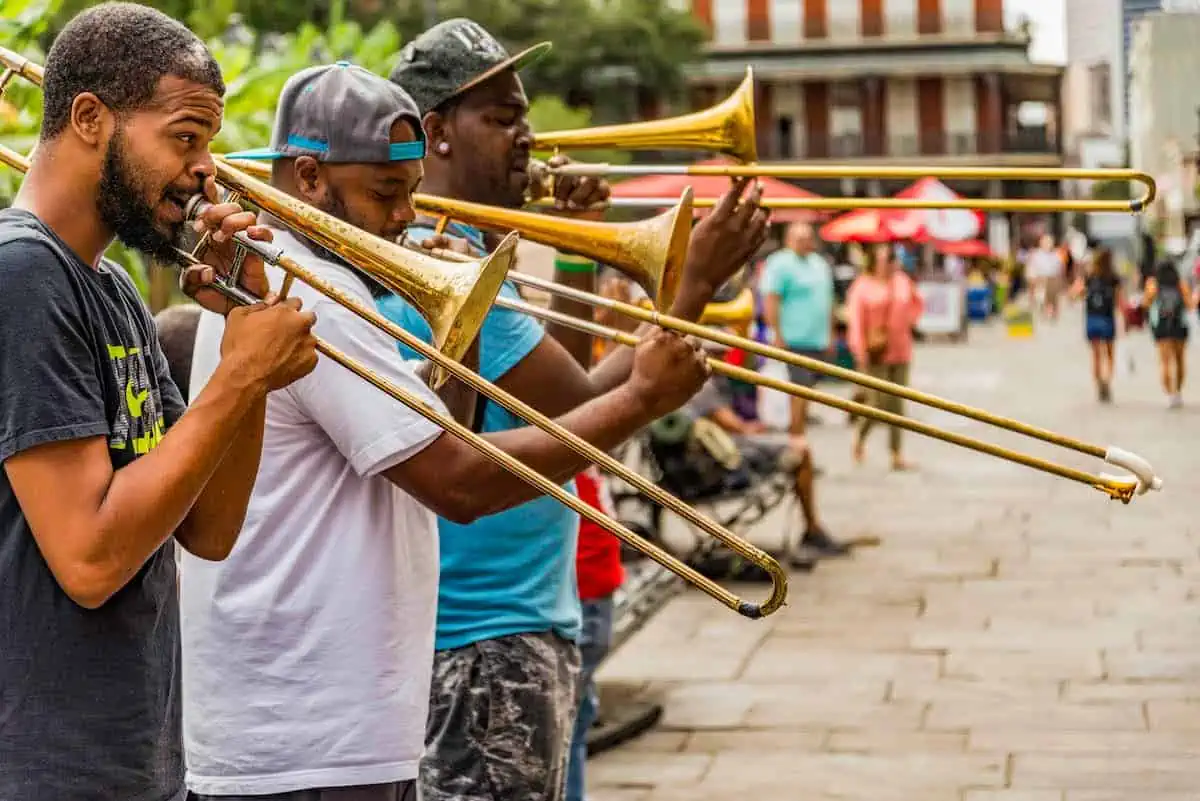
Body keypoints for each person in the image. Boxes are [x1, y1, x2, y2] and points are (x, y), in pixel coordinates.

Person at [180, 62, 709, 801]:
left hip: (331, 732)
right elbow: (458, 481)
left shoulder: (307, 282)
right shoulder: (304, 295)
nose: (404, 218)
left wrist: (450, 331)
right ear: (307, 178)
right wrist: (643, 398)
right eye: (386, 194)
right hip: (305, 741)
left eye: (412, 193)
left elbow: (439, 447)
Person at [387, 18, 768, 801]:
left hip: (509, 621)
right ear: (436, 134)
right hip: (485, 634)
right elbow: (585, 412)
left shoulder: (469, 251)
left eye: (522, 115)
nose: (529, 137)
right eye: (500, 119)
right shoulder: (442, 262)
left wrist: (579, 245)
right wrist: (689, 286)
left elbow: (555, 382)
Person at [0, 5, 321, 800]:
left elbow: (208, 530)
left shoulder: (110, 290)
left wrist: (243, 330)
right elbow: (90, 559)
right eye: (185, 137)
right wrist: (239, 377)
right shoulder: (23, 276)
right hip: (46, 771)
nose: (206, 171)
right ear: (89, 118)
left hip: (136, 763)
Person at [758, 221, 846, 561]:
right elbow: (771, 300)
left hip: (813, 341)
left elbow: (826, 301)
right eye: (800, 237)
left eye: (809, 236)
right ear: (788, 239)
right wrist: (776, 335)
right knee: (794, 398)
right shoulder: (780, 264)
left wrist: (827, 336)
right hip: (791, 341)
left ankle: (800, 439)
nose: (806, 241)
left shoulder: (819, 264)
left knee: (805, 398)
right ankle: (797, 442)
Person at [846, 242, 924, 470]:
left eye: (890, 258)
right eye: (883, 259)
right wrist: (859, 351)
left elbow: (917, 304)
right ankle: (860, 437)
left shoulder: (902, 281)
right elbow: (856, 321)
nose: (887, 263)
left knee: (897, 405)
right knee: (876, 403)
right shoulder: (862, 286)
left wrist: (909, 320)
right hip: (875, 353)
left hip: (900, 349)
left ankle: (896, 453)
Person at [1069, 247, 1123, 403]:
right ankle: (1107, 379)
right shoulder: (1113, 277)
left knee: (1096, 356)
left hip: (1092, 318)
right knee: (1110, 354)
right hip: (1108, 318)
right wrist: (1124, 321)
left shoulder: (1089, 276)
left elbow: (1074, 293)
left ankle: (1099, 382)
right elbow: (1120, 301)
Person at [1142, 258, 1194, 408]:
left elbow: (1146, 302)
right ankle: (1177, 392)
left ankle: (1169, 392)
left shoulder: (1153, 284)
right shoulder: (1180, 284)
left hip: (1162, 327)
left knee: (1165, 361)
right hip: (1179, 326)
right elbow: (1190, 305)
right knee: (1179, 361)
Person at [1027, 233, 1064, 321]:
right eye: (1046, 242)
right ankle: (1044, 312)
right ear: (1041, 243)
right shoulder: (1036, 254)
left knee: (1053, 298)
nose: (1048, 244)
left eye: (1050, 242)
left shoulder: (1056, 254)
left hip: (1053, 279)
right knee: (1041, 298)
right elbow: (1031, 269)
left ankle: (1052, 313)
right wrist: (1032, 280)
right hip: (1040, 280)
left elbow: (1059, 269)